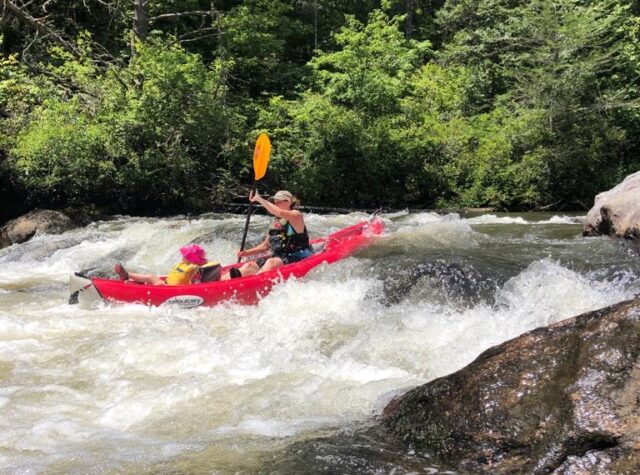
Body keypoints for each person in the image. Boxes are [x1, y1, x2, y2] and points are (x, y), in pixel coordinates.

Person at [230, 189, 313, 278]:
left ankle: (249, 283)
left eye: (279, 202)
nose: (276, 205)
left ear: (289, 202)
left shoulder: (297, 215)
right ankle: (229, 281)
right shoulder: (276, 223)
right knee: (250, 265)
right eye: (275, 202)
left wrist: (259, 198)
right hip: (279, 257)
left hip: (297, 257)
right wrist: (246, 253)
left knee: (271, 263)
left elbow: (280, 212)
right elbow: (265, 246)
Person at [114, 244, 221, 285]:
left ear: (191, 259)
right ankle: (128, 282)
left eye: (185, 256)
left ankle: (126, 275)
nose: (182, 257)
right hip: (166, 284)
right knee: (149, 280)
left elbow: (209, 265)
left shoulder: (194, 266)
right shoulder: (183, 264)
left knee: (151, 277)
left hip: (168, 288)